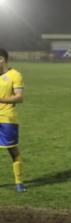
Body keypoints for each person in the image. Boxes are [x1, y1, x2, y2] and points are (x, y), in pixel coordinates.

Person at [0, 48, 26, 192]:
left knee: (13, 151)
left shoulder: (15, 75)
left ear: (1, 59)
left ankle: (19, 182)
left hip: (7, 119)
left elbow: (19, 97)